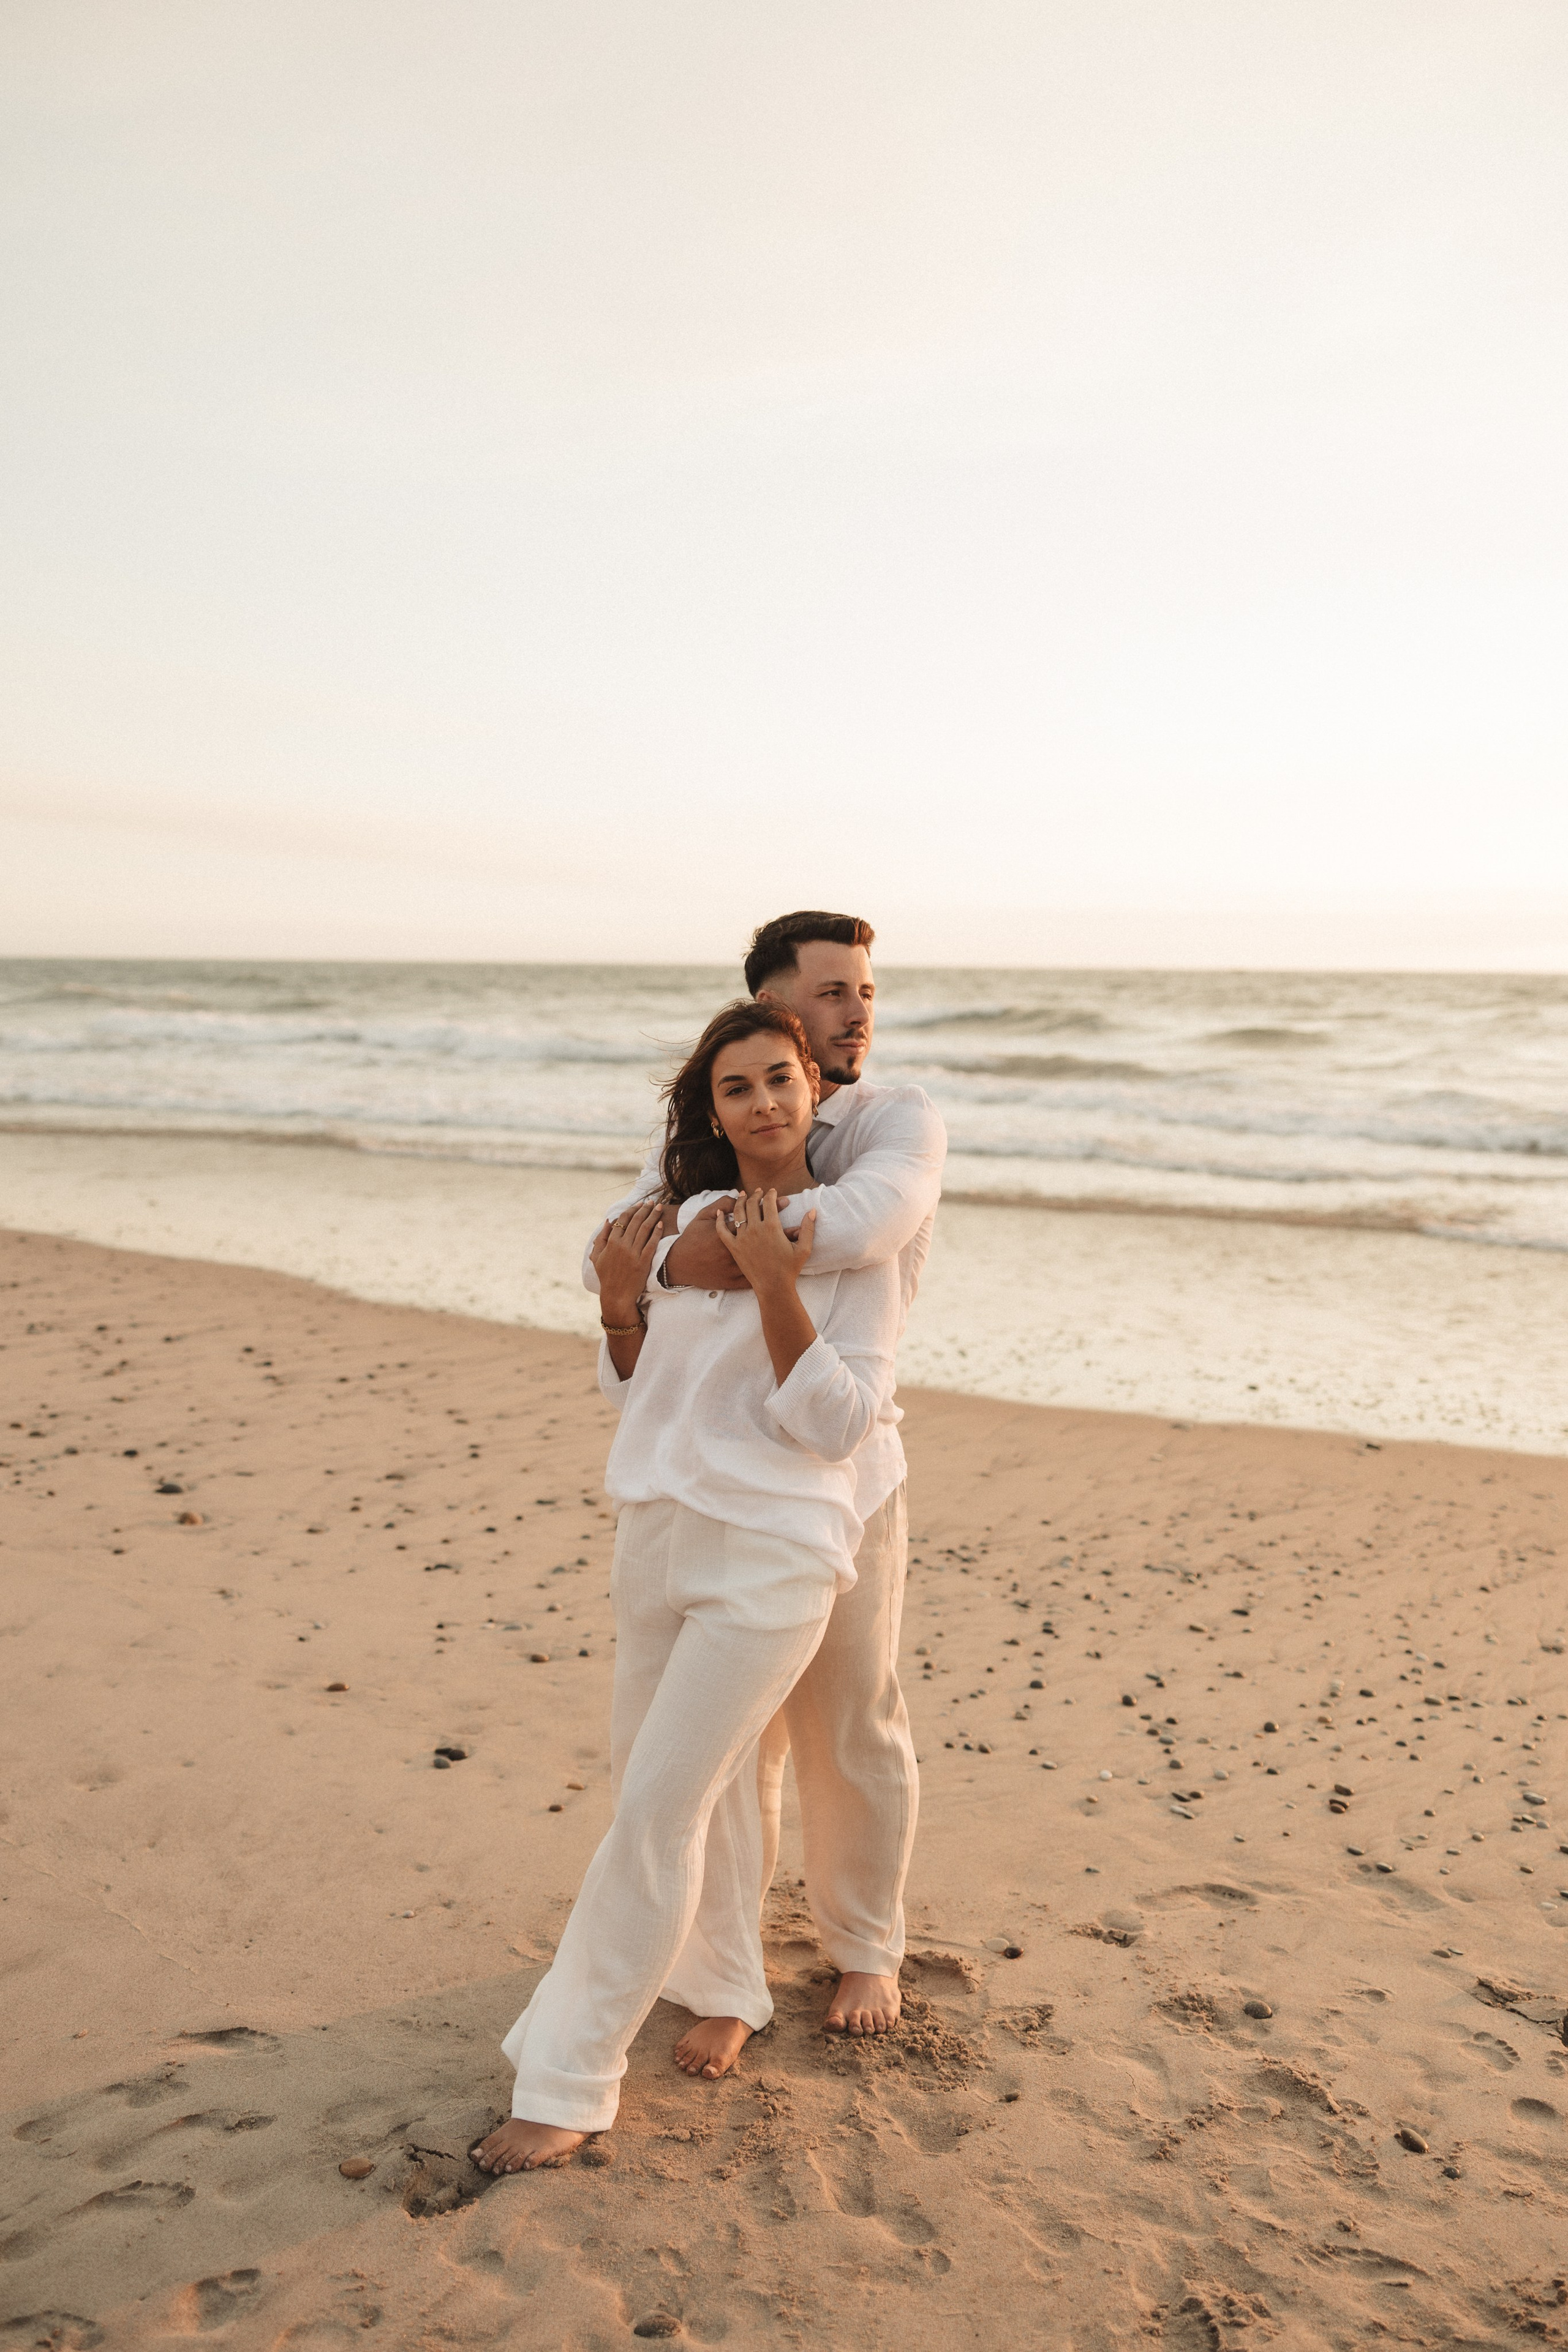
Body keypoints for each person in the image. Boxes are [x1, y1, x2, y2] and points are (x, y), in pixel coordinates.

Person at [473, 999, 903, 2173]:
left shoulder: (848, 1245)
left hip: (773, 1555)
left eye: (780, 1079)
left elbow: (837, 1427)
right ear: (710, 1110)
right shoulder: (685, 1221)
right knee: (670, 1799)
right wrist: (623, 1303)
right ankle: (725, 1982)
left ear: (815, 1086)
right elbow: (639, 1397)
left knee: (655, 1814)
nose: (763, 1103)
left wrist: (776, 1287)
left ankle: (565, 2082)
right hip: (657, 1535)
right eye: (737, 1088)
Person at [582, 912, 946, 2037]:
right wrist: (666, 1262)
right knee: (731, 1750)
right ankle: (723, 1976)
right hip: (726, 1481)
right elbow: (621, 1249)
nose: (860, 1012)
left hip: (851, 1468)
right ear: (780, 1002)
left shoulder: (897, 1119)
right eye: (833, 993)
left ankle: (864, 1946)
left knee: (850, 1722)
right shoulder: (729, 1104)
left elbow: (857, 1226)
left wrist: (693, 1253)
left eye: (866, 991)